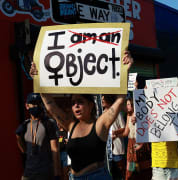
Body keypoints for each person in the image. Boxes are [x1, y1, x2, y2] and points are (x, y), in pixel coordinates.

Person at [29, 50, 133, 179]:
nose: (76, 106)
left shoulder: (100, 124)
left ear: (91, 105)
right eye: (73, 103)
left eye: (80, 102)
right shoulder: (70, 125)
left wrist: (126, 70)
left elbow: (120, 100)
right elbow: (50, 105)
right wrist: (37, 79)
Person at [15, 93, 60, 180]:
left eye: (38, 103)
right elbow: (23, 150)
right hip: (28, 174)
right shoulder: (25, 124)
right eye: (33, 104)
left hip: (45, 174)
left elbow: (55, 150)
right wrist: (18, 137)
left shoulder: (49, 123)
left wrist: (57, 174)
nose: (36, 106)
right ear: (27, 106)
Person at [113, 98, 152, 180]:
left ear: (134, 105)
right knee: (132, 169)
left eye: (130, 104)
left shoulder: (141, 114)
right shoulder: (128, 115)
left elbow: (147, 129)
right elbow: (126, 133)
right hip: (131, 144)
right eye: (127, 104)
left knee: (143, 169)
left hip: (141, 142)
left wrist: (139, 121)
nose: (128, 106)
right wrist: (115, 135)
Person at [102, 95, 126, 180]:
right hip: (107, 148)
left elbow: (124, 127)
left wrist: (115, 132)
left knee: (119, 169)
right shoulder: (102, 114)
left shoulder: (117, 113)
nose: (102, 101)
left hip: (117, 147)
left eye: (103, 99)